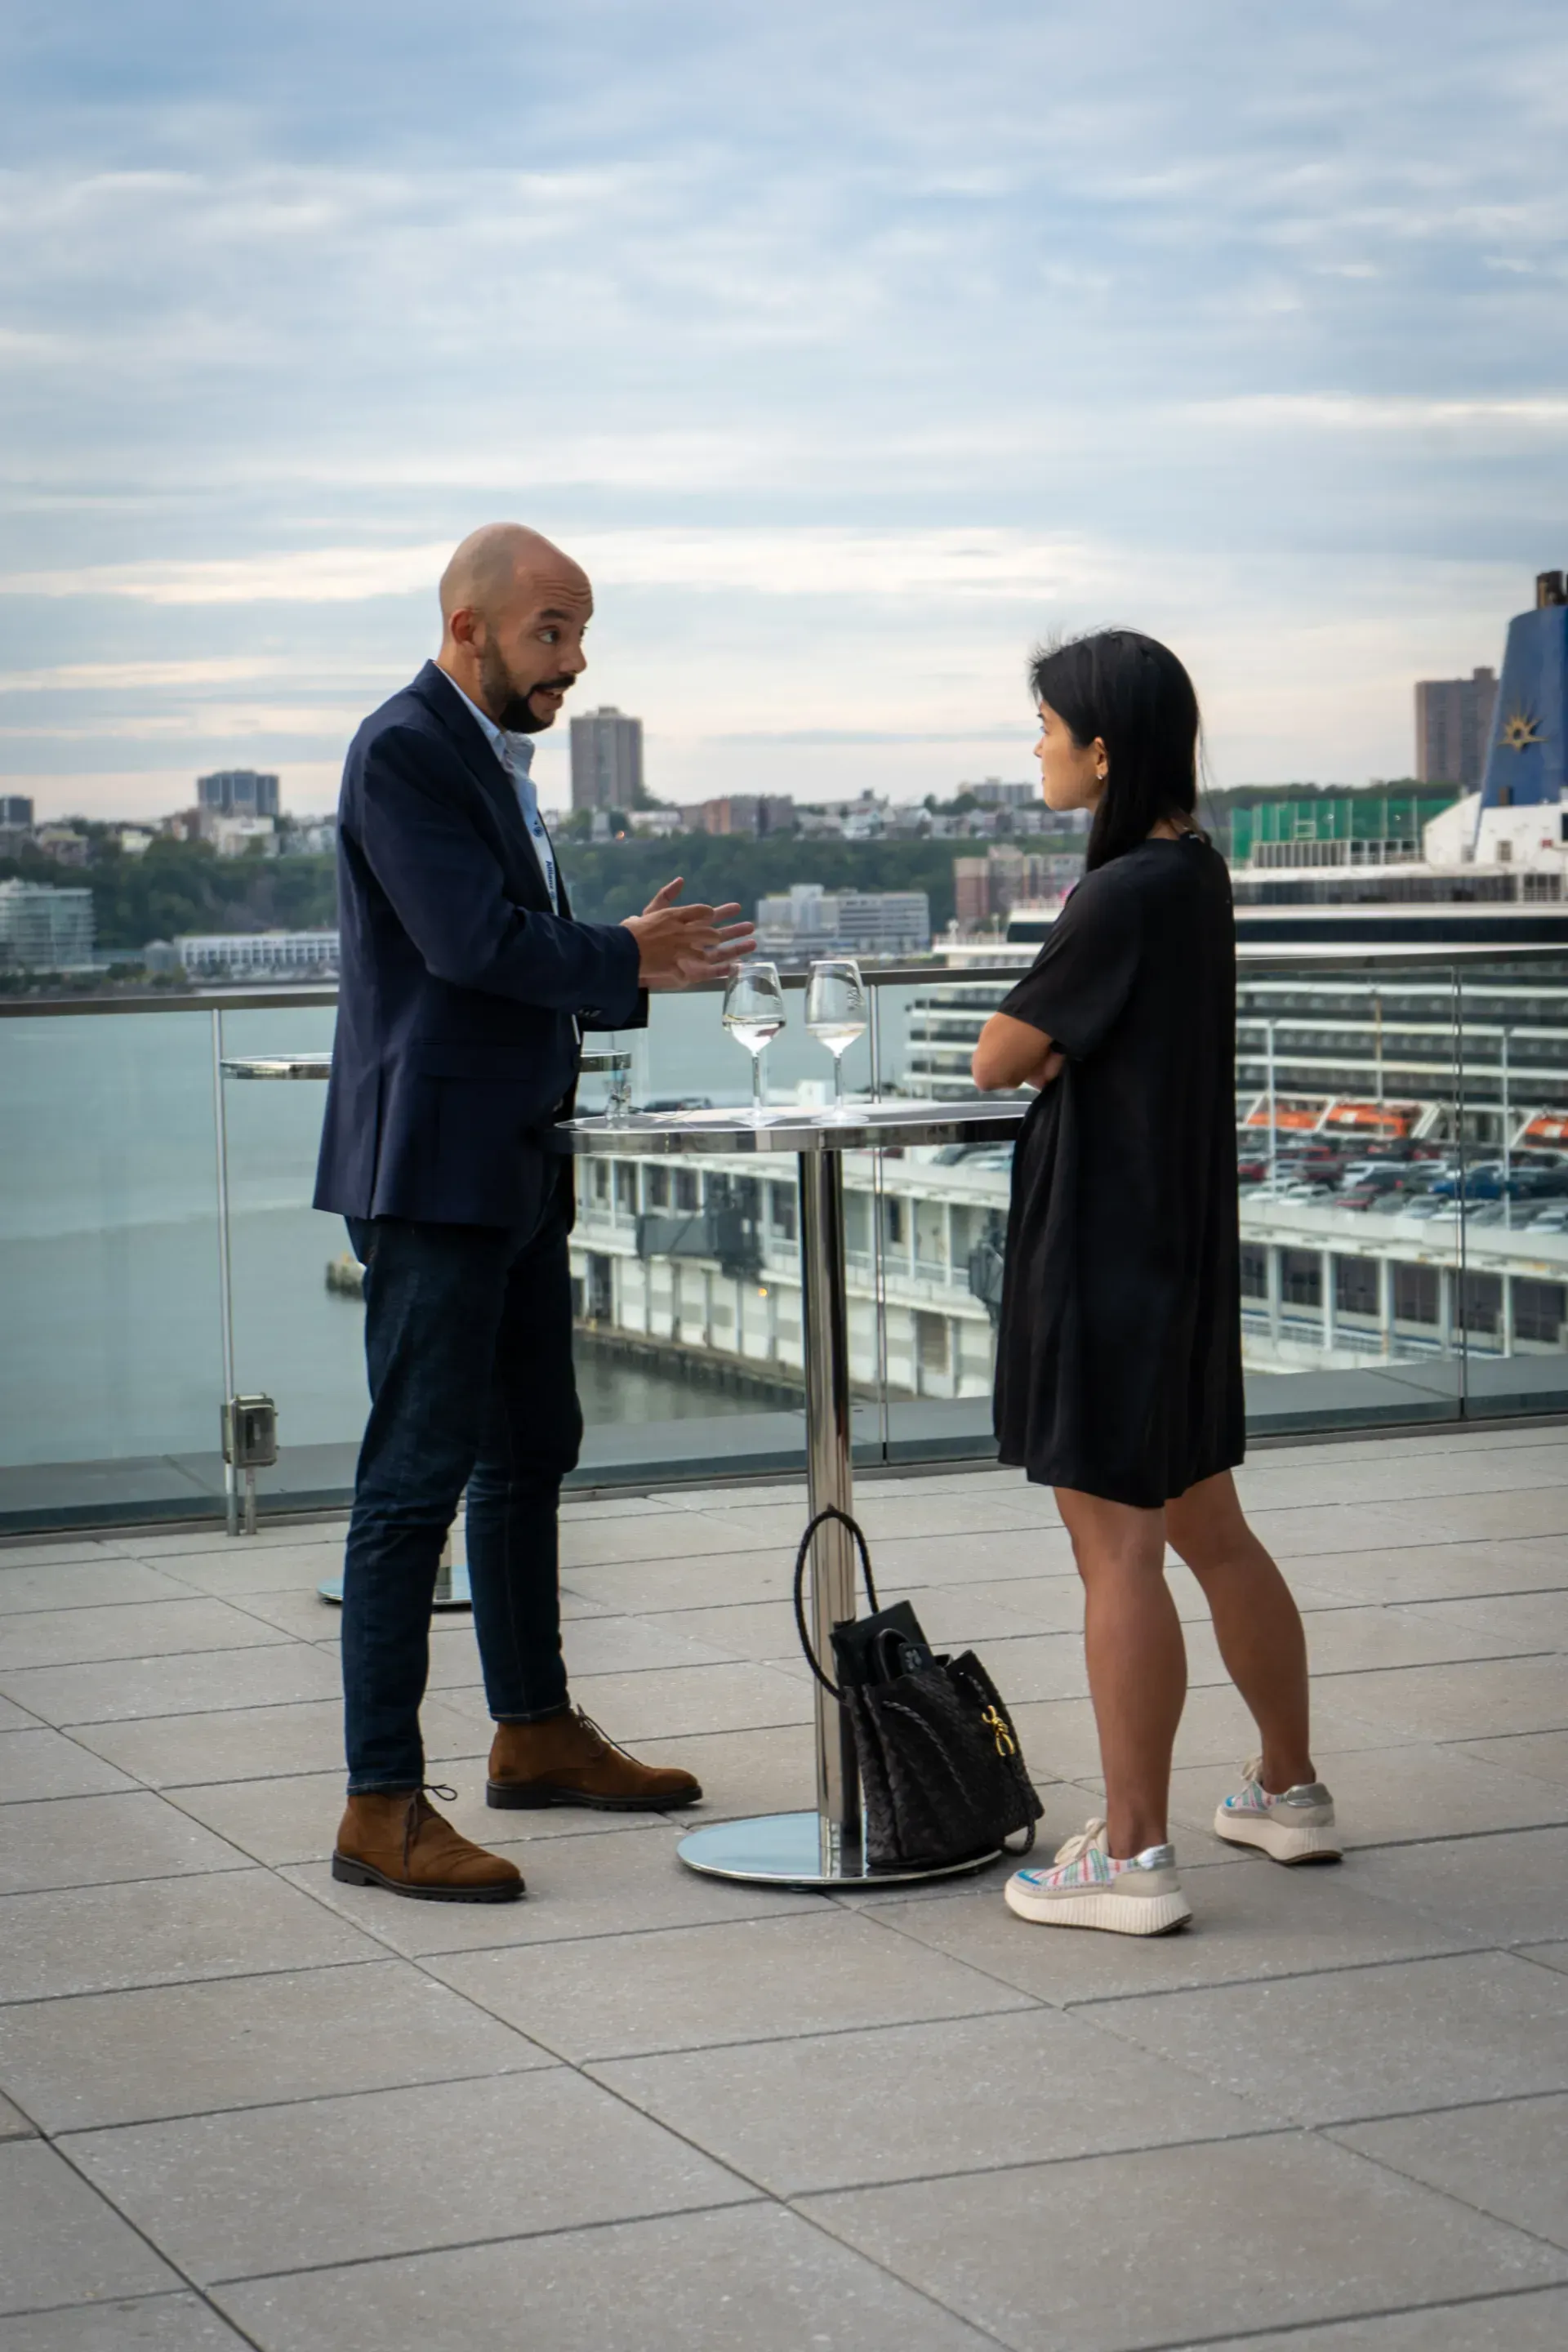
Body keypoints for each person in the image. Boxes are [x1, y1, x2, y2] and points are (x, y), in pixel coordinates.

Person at [315, 522, 755, 1902]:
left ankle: (534, 1730)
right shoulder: (404, 750)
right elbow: (469, 949)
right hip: (434, 1174)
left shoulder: (487, 763)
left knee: (530, 1449)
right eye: (550, 632)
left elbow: (504, 947)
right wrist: (624, 957)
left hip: (508, 1158)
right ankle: (380, 1803)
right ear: (469, 631)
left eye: (579, 634)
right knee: (413, 1484)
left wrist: (615, 952)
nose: (572, 660)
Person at [971, 630, 1340, 1936]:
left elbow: (995, 1056)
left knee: (1115, 1550)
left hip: (1103, 1254)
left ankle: (1130, 1859)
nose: (1038, 750)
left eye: (1048, 728)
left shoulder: (1120, 890)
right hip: (1178, 1246)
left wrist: (1043, 1051)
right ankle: (1287, 1790)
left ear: (1105, 747)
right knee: (1211, 1529)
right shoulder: (1199, 873)